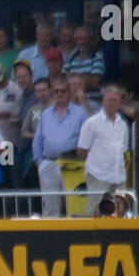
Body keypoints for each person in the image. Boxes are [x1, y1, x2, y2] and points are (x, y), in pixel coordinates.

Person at [32, 77, 88, 217]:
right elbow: (38, 139)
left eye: (63, 91)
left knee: (75, 204)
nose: (60, 94)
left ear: (69, 94)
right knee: (50, 205)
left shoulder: (80, 113)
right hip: (48, 163)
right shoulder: (45, 114)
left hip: (73, 165)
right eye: (56, 91)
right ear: (52, 94)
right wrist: (40, 162)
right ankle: (49, 237)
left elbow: (88, 138)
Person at [77, 85, 130, 212]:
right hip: (98, 176)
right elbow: (81, 151)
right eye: (109, 100)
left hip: (118, 177)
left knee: (119, 213)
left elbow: (123, 151)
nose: (112, 103)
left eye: (115, 100)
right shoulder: (91, 123)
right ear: (103, 102)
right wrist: (98, 165)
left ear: (119, 103)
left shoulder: (123, 125)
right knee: (96, 212)